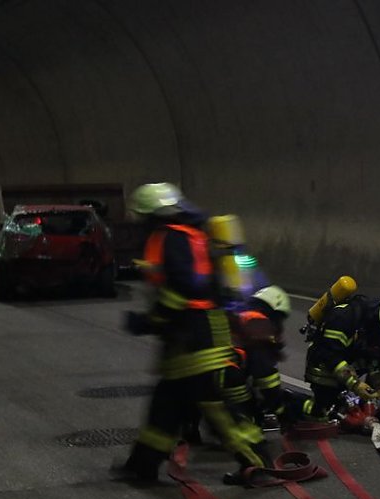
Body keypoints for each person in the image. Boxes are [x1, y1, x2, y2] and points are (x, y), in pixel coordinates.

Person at [117, 182, 273, 482]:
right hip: (184, 343)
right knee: (164, 410)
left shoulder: (170, 238)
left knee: (219, 411)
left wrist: (150, 320)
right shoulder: (191, 236)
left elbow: (184, 288)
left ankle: (258, 463)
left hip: (197, 343)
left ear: (151, 215)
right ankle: (142, 467)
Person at [301, 294, 380, 421]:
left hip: (348, 358)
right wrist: (355, 384)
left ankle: (372, 402)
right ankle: (297, 403)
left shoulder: (375, 325)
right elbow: (330, 356)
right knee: (325, 411)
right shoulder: (343, 317)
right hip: (323, 365)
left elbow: (375, 353)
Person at [224, 284, 294, 429]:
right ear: (275, 311)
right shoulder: (259, 323)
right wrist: (280, 410)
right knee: (252, 432)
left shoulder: (242, 314)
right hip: (228, 382)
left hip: (208, 377)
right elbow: (265, 374)